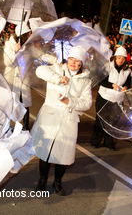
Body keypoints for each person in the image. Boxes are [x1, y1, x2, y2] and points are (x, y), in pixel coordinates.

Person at [32, 46, 92, 195]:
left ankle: (57, 182)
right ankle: (42, 180)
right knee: (45, 152)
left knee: (64, 155)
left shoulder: (85, 81)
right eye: (71, 59)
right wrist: (58, 78)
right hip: (50, 117)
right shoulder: (57, 69)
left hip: (69, 119)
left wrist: (69, 101)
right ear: (67, 59)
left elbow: (87, 103)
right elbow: (39, 71)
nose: (73, 63)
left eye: (78, 61)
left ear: (82, 63)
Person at [90, 46, 131, 150]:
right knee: (101, 119)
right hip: (104, 96)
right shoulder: (107, 66)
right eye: (118, 57)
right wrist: (112, 85)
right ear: (115, 57)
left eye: (123, 58)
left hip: (118, 99)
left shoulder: (127, 70)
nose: (120, 60)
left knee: (113, 122)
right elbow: (101, 81)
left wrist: (126, 87)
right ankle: (96, 141)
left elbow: (128, 82)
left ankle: (109, 143)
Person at [3, 23, 32, 129]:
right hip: (12, 79)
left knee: (25, 104)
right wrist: (15, 51)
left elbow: (33, 57)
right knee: (12, 104)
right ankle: (7, 127)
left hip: (24, 78)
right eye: (28, 33)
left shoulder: (28, 45)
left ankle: (25, 128)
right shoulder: (9, 44)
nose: (30, 34)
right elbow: (7, 62)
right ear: (22, 34)